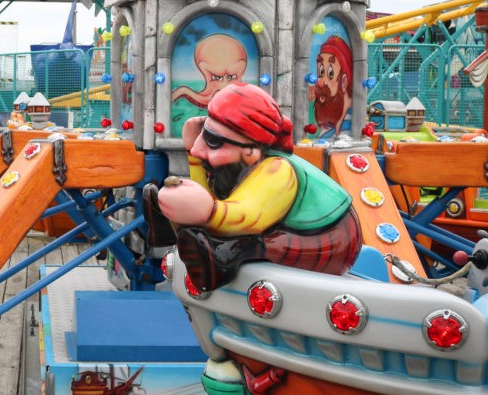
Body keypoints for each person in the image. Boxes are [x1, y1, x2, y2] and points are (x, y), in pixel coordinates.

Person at [147, 83, 361, 291]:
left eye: (212, 141)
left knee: (249, 243)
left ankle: (219, 261)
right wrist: (193, 160)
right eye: (204, 133)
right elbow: (210, 196)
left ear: (251, 151)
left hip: (328, 237)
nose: (198, 148)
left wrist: (208, 212)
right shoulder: (237, 169)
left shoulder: (277, 171)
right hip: (283, 228)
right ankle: (172, 228)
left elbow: (243, 219)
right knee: (210, 225)